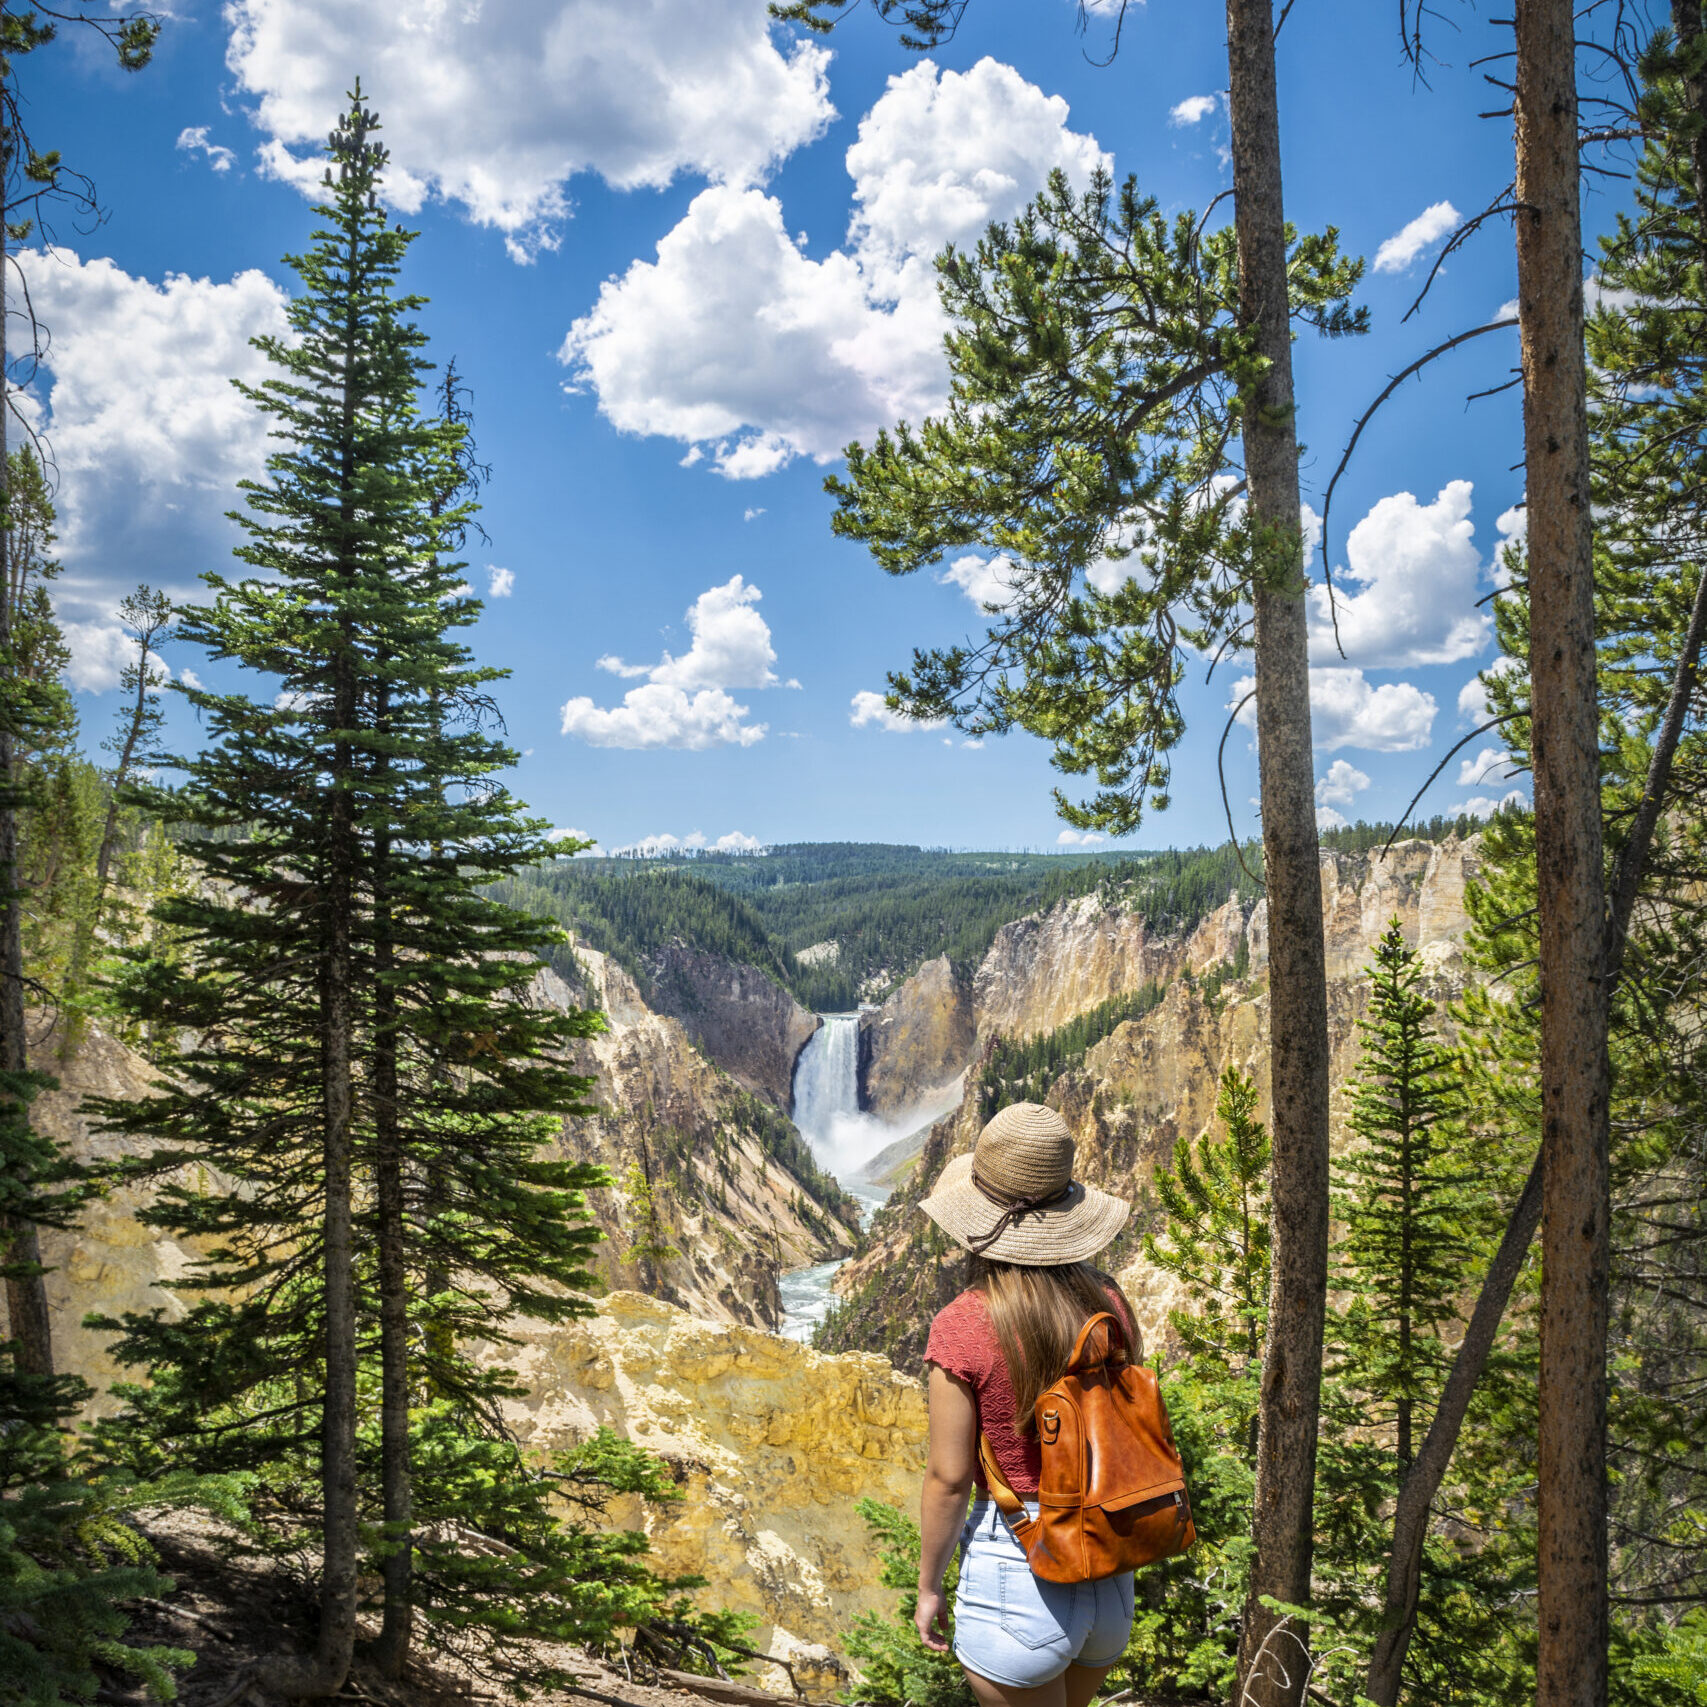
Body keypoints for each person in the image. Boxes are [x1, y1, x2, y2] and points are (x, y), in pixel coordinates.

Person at [914, 1101, 1140, 1707]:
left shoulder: (964, 1324)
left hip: (1020, 1570)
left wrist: (928, 1586)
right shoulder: (1111, 1303)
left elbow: (949, 1477)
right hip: (1111, 1572)